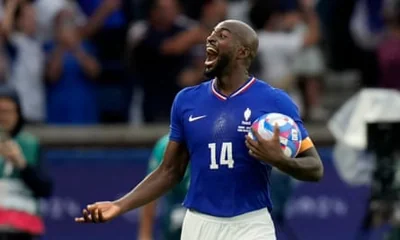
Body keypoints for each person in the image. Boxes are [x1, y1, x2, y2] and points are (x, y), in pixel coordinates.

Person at [75, 20, 323, 240]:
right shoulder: (186, 101)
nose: (210, 38)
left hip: (251, 224)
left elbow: (314, 167)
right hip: (199, 225)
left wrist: (281, 161)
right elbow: (170, 171)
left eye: (222, 35)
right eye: (211, 33)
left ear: (242, 52)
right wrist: (120, 205)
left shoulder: (275, 102)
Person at [0, 86, 53, 240]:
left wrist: (22, 164)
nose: (3, 117)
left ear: (18, 114)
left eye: (7, 111)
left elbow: (45, 189)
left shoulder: (31, 145)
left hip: (22, 228)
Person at [137, 134, 190, 240]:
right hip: (173, 217)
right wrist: (145, 235)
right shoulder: (164, 146)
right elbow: (150, 191)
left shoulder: (210, 144)